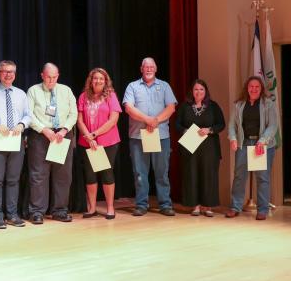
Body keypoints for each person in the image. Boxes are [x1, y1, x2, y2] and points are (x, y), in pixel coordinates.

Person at [122, 57, 177, 217]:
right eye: (146, 66)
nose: (148, 69)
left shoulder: (164, 86)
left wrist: (155, 121)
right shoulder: (132, 86)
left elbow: (171, 107)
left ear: (156, 69)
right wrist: (147, 120)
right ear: (141, 69)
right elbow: (129, 108)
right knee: (140, 173)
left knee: (162, 172)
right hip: (138, 136)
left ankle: (165, 204)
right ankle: (141, 204)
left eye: (151, 66)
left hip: (161, 136)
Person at [27, 62, 77, 224]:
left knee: (63, 175)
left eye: (54, 77)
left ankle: (60, 210)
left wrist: (64, 130)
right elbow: (29, 114)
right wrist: (44, 130)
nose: (51, 80)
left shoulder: (66, 90)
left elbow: (73, 113)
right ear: (42, 75)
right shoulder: (33, 91)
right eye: (48, 77)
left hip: (62, 135)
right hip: (41, 136)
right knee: (39, 175)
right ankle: (37, 212)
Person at [0, 60, 31, 229]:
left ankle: (12, 214)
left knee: (13, 179)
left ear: (15, 74)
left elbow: (28, 115)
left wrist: (21, 124)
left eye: (11, 71)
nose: (8, 74)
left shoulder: (21, 94)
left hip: (16, 139)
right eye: (4, 71)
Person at [226, 76, 278, 220]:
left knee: (262, 178)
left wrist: (262, 141)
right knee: (239, 177)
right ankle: (235, 207)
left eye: (257, 87)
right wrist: (233, 139)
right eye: (251, 86)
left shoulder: (268, 104)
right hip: (244, 143)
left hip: (262, 145)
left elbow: (273, 126)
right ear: (247, 88)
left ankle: (262, 210)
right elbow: (232, 125)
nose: (253, 89)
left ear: (261, 89)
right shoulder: (239, 104)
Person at [175, 79, 225, 217]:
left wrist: (209, 130)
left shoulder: (213, 106)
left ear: (205, 91)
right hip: (190, 146)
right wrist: (186, 131)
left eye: (201, 89)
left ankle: (207, 206)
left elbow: (221, 124)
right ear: (192, 91)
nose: (198, 92)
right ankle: (195, 206)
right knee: (192, 175)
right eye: (196, 89)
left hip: (210, 148)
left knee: (208, 175)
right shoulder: (185, 106)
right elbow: (177, 124)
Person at [77, 68, 122, 220]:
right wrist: (89, 138)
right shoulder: (83, 96)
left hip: (107, 141)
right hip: (87, 142)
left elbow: (113, 120)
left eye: (101, 79)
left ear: (106, 81)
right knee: (90, 175)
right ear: (91, 80)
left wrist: (94, 134)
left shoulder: (111, 96)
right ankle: (92, 208)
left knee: (106, 174)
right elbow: (80, 120)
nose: (98, 81)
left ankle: (110, 208)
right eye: (95, 78)